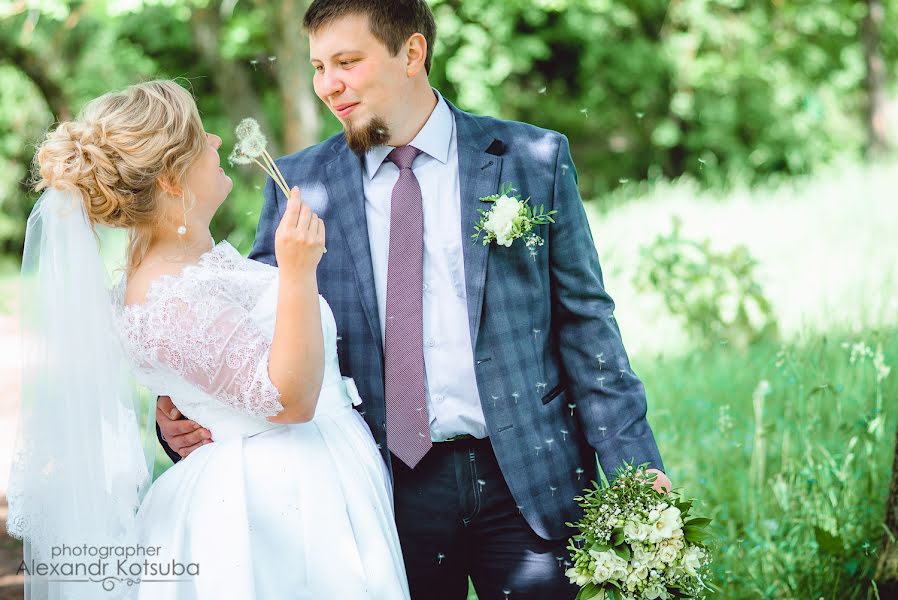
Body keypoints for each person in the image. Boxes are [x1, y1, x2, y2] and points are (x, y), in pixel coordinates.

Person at [157, 1, 672, 598]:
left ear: (412, 53)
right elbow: (255, 339)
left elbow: (586, 326)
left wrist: (637, 470)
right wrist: (187, 412)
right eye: (319, 67)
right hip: (383, 490)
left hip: (530, 477)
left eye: (347, 61)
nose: (329, 85)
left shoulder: (531, 160)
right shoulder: (298, 185)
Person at [7, 80, 410, 599]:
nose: (217, 141)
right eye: (201, 136)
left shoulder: (188, 268)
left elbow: (216, 361)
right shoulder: (168, 294)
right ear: (173, 180)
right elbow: (288, 400)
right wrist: (297, 271)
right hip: (273, 509)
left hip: (309, 480)